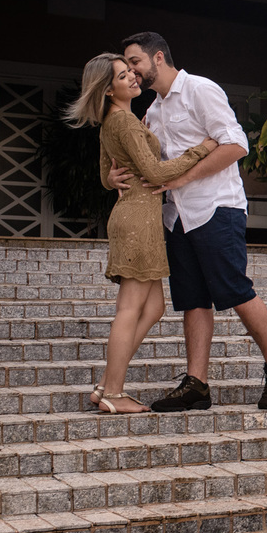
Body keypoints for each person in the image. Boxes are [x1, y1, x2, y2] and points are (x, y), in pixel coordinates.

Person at [108, 31, 267, 411]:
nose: (132, 71)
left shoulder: (200, 89)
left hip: (215, 207)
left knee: (235, 289)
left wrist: (182, 178)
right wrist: (110, 178)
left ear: (158, 58)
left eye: (135, 62)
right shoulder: (155, 110)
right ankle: (197, 384)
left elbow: (235, 144)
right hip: (175, 216)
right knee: (193, 298)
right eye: (127, 66)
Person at [66, 53, 218, 414]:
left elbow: (108, 171)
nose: (134, 77)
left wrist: (110, 179)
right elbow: (155, 170)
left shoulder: (115, 121)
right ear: (107, 90)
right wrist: (204, 148)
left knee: (154, 307)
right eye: (123, 76)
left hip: (138, 218)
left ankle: (107, 382)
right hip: (136, 220)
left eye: (131, 71)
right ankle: (114, 394)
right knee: (131, 308)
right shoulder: (126, 123)